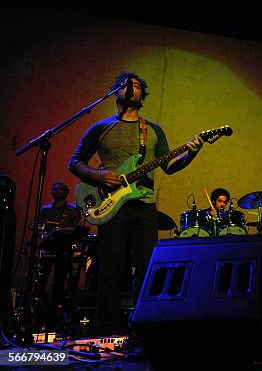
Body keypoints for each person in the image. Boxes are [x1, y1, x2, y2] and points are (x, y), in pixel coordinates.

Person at [68, 72, 204, 335]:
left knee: (147, 266)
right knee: (110, 267)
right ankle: (107, 328)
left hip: (144, 206)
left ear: (143, 95)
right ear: (115, 91)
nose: (132, 88)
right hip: (109, 207)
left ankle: (146, 325)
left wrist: (192, 152)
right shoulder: (100, 128)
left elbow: (170, 166)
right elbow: (74, 161)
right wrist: (98, 175)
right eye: (126, 85)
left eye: (137, 85)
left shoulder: (153, 131)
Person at [37, 181, 83, 331]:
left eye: (61, 187)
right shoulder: (44, 210)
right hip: (47, 251)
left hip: (64, 252)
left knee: (60, 281)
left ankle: (58, 313)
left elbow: (76, 230)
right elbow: (40, 229)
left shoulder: (73, 210)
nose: (57, 189)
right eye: (54, 187)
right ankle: (40, 311)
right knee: (41, 282)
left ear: (67, 191)